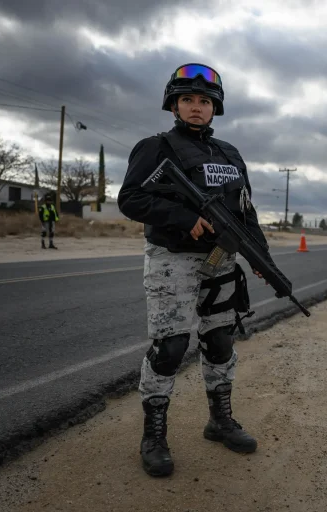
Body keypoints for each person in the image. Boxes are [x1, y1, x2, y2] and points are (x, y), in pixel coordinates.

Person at [117, 63, 271, 478]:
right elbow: (130, 199)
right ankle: (154, 436)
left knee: (220, 340)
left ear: (215, 108)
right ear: (173, 105)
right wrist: (182, 217)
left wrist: (261, 256)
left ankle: (219, 421)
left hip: (221, 261)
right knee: (170, 349)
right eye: (188, 100)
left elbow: (246, 212)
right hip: (173, 259)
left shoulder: (230, 154)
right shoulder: (155, 147)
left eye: (204, 101)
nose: (196, 107)